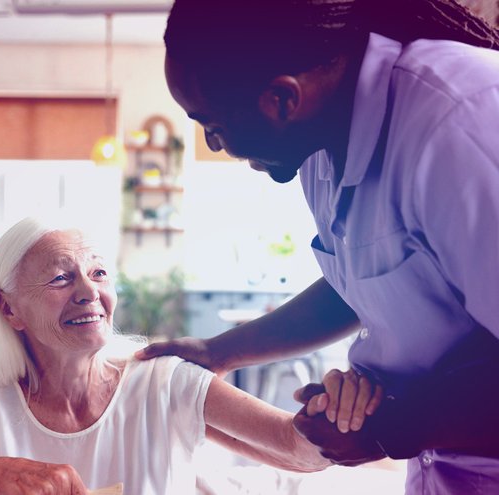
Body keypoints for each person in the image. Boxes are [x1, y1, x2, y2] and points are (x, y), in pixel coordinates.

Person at [136, 0, 499, 493]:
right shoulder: (320, 144)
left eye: (213, 126)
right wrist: (217, 352)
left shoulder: (461, 125)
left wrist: (394, 427)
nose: (215, 145)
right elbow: (362, 281)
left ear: (283, 100)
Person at [0, 216, 339, 495]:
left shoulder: (163, 380)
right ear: (9, 307)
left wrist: (331, 419)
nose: (89, 292)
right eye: (61, 279)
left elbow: (297, 450)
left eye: (98, 273)